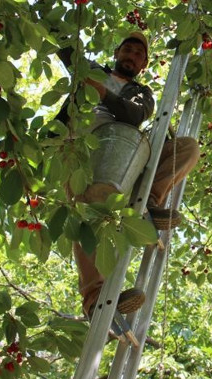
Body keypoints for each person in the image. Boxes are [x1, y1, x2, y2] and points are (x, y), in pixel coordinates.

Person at [54, 31, 200, 318]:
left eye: (138, 54)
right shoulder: (93, 70)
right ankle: (95, 300)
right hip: (77, 147)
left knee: (187, 148)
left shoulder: (141, 93)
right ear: (117, 53)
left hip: (120, 159)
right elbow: (65, 49)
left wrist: (102, 92)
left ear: (143, 64)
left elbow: (134, 116)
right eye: (127, 50)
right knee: (85, 213)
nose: (131, 55)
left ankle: (150, 204)